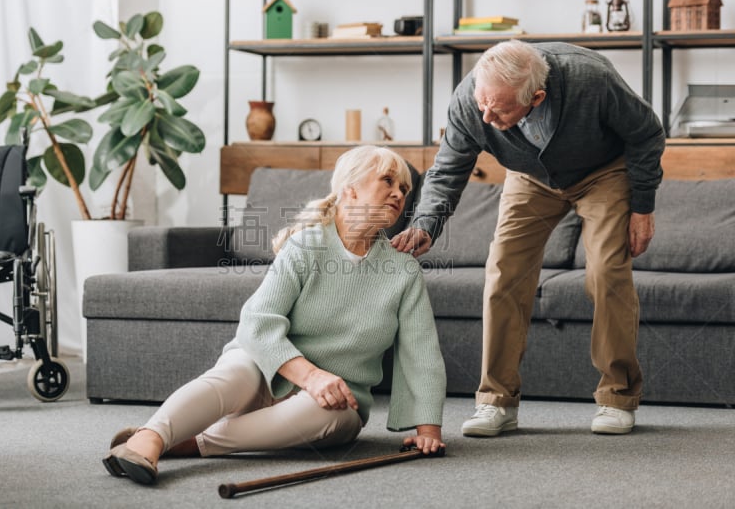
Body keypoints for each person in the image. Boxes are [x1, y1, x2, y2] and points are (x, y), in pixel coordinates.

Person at [103, 145, 447, 485]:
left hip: (337, 400)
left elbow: (421, 353)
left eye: (404, 188)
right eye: (387, 181)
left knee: (333, 417)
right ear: (349, 189)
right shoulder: (306, 246)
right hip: (265, 370)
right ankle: (152, 437)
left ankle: (191, 443)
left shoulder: (404, 271)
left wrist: (427, 430)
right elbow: (257, 322)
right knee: (236, 372)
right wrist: (310, 376)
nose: (398, 193)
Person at [392, 40, 665, 436]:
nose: (485, 115)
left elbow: (646, 133)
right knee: (503, 272)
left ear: (535, 97)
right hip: (530, 177)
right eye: (482, 102)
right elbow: (447, 169)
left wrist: (643, 205)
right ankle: (496, 401)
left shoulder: (592, 79)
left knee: (606, 271)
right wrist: (424, 225)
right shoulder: (472, 100)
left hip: (603, 172)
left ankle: (617, 397)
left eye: (499, 108)